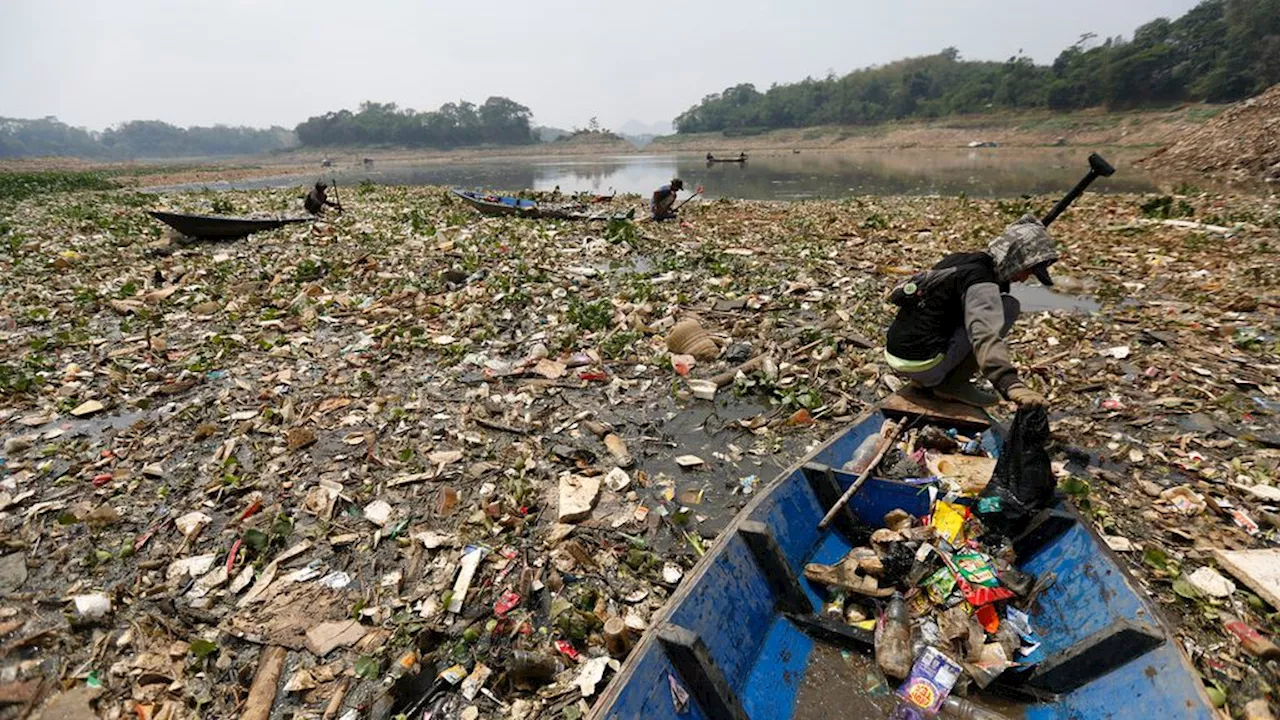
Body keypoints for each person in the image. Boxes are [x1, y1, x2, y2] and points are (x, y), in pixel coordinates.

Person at [884, 214, 1055, 408]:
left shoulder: (961, 261)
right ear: (1016, 260)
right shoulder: (981, 283)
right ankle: (952, 385)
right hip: (924, 365)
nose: (1024, 279)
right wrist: (1009, 383)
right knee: (1008, 306)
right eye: (1028, 271)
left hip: (896, 354)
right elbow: (984, 333)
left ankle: (930, 377)